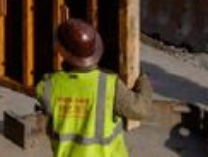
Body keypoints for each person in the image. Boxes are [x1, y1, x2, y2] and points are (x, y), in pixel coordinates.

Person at [36, 19, 152, 156]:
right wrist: (143, 78)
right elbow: (141, 109)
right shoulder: (109, 84)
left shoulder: (48, 85)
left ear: (61, 51)